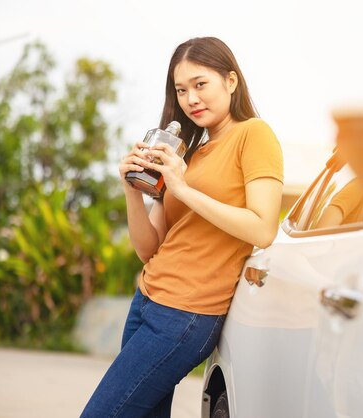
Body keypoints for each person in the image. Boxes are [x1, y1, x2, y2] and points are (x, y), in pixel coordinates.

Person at [81, 37, 284, 417]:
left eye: (200, 84)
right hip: (147, 301)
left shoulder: (254, 135)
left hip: (186, 315)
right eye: (181, 90)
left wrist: (182, 188)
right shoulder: (188, 153)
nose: (191, 98)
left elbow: (262, 228)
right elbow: (149, 249)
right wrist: (131, 190)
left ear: (231, 81)